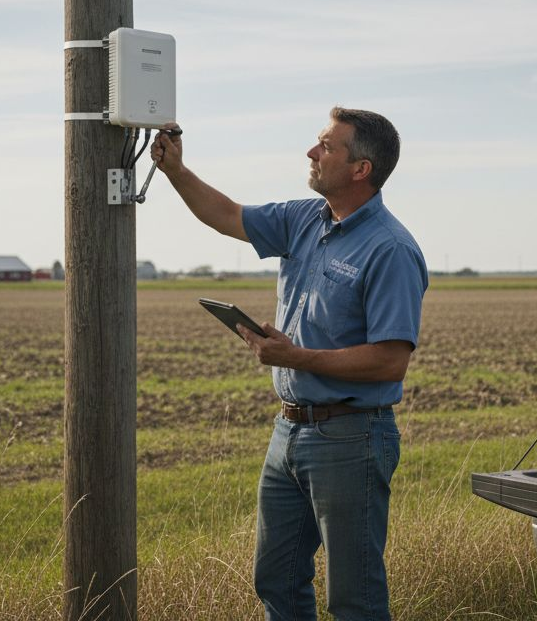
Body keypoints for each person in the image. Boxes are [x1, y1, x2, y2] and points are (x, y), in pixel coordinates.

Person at [151, 107, 428, 621]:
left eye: (326, 145)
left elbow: (390, 362)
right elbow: (228, 215)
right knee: (276, 578)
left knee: (355, 596)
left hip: (352, 437)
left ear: (360, 169)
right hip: (289, 432)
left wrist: (293, 356)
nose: (311, 152)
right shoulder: (304, 218)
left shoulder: (390, 249)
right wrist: (176, 172)